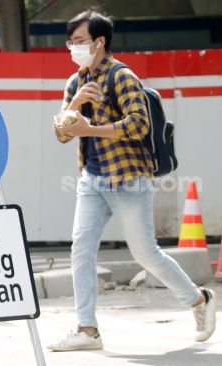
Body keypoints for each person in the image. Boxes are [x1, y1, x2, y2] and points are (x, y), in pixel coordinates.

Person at [48, 10, 217, 351]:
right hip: (92, 179)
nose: (72, 47)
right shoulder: (75, 82)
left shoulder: (122, 76)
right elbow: (62, 134)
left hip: (129, 178)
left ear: (99, 42)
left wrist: (91, 128)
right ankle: (87, 330)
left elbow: (138, 124)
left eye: (79, 41)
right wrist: (77, 104)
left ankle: (199, 300)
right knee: (81, 250)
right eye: (70, 42)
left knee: (145, 254)